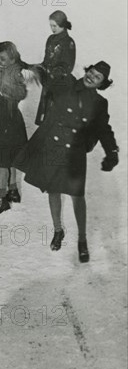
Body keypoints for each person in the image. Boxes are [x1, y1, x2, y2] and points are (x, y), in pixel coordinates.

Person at [14, 61, 119, 263]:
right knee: (53, 190)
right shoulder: (65, 84)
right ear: (87, 71)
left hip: (75, 154)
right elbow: (45, 74)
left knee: (77, 196)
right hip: (54, 148)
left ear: (101, 84)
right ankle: (58, 230)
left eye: (98, 77)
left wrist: (111, 152)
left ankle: (82, 240)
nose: (92, 77)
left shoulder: (99, 103)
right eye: (92, 72)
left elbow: (103, 130)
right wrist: (21, 64)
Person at [0, 42, 30, 216]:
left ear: (11, 59)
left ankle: (1, 200)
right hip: (8, 121)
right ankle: (13, 190)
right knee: (9, 156)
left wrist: (8, 92)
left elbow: (22, 93)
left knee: (1, 163)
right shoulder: (6, 69)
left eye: (3, 59)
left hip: (5, 123)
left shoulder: (12, 73)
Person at [34, 11, 76, 126]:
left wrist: (53, 73)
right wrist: (39, 68)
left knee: (55, 117)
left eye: (54, 26)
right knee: (45, 117)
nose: (52, 29)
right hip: (48, 83)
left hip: (60, 85)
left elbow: (67, 66)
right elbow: (46, 60)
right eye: (50, 26)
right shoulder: (50, 39)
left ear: (62, 24)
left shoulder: (69, 42)